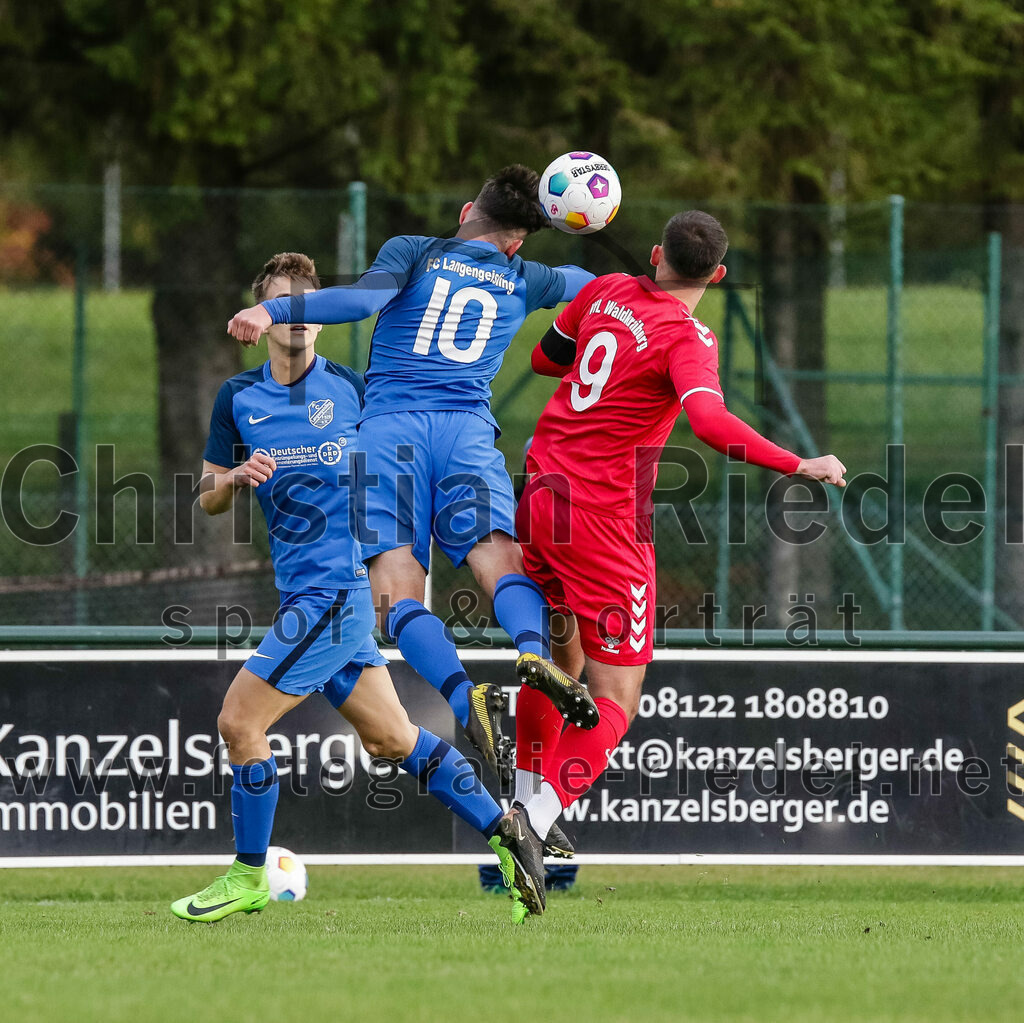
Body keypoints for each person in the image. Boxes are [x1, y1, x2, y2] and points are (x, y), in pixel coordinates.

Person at [227, 167, 599, 916]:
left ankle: (464, 697)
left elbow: (359, 302)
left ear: (467, 211)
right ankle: (529, 650)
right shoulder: (527, 274)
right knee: (500, 561)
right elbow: (590, 284)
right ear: (517, 235)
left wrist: (274, 309)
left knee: (397, 594)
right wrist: (625, 280)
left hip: (393, 428)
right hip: (466, 431)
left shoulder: (416, 250)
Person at [504, 210, 848, 915]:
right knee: (617, 698)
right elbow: (710, 423)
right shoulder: (688, 338)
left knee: (558, 656)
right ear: (716, 276)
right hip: (602, 521)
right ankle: (531, 820)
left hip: (539, 492)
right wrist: (799, 463)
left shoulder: (605, 291)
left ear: (656, 254)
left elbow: (545, 360)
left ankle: (522, 796)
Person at [172, 253, 530, 923]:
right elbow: (208, 496)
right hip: (305, 594)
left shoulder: (360, 392)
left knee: (238, 722)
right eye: (286, 302)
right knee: (394, 739)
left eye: (310, 302)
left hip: (336, 594)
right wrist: (235, 476)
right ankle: (508, 829)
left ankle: (249, 874)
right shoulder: (238, 398)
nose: (300, 316)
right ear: (267, 315)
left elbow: (411, 469)